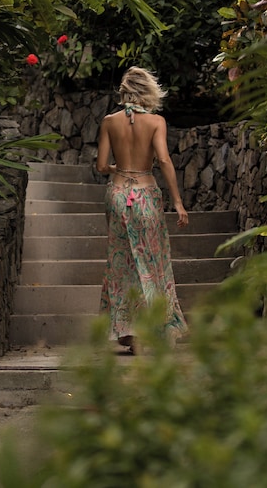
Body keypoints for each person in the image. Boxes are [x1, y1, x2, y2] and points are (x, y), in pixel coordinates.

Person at [96, 66, 188, 353]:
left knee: (122, 263)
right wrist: (177, 202)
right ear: (148, 91)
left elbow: (101, 167)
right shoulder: (156, 122)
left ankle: (129, 332)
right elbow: (164, 160)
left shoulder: (109, 121)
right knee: (151, 263)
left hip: (118, 193)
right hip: (145, 194)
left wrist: (120, 169)